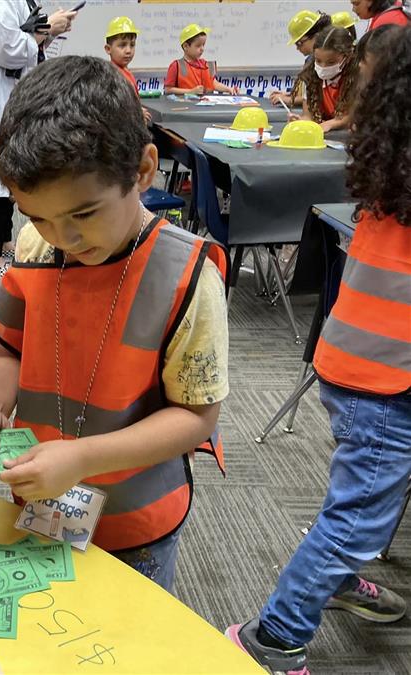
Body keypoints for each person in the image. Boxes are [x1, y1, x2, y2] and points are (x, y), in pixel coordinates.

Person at [0, 55, 229, 592]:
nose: (63, 236)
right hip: (40, 500)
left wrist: (83, 457)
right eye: (37, 215)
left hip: (136, 524)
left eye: (83, 215)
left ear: (144, 170)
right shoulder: (35, 250)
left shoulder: (187, 275)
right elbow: (10, 348)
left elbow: (196, 417)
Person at [227, 25, 411, 675]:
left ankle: (335, 574)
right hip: (381, 376)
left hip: (361, 363)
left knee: (359, 501)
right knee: (359, 515)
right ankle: (272, 634)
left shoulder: (391, 162)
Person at [0, 0, 78, 282]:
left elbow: (26, 43)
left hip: (10, 102)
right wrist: (48, 29)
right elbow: (8, 52)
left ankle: (6, 243)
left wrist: (50, 32)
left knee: (10, 179)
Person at [290, 26, 359, 133]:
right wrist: (303, 122)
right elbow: (308, 115)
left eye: (331, 62)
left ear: (347, 57)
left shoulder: (357, 76)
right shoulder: (310, 76)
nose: (323, 67)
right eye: (318, 61)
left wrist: (331, 123)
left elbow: (355, 115)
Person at [270, 10, 333, 108]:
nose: (297, 48)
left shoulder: (325, 65)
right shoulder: (310, 60)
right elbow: (308, 93)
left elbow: (319, 95)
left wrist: (290, 99)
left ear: (316, 37)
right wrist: (289, 95)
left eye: (300, 43)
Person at [164, 24, 238, 96]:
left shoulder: (206, 65)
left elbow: (214, 84)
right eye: (198, 46)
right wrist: (190, 91)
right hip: (185, 106)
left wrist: (229, 89)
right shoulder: (176, 66)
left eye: (203, 45)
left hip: (205, 106)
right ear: (186, 46)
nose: (202, 49)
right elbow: (168, 89)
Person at [103, 16, 152, 124]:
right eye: (122, 45)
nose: (128, 50)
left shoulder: (125, 71)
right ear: (108, 49)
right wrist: (136, 113)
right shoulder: (112, 76)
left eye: (132, 45)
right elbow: (114, 109)